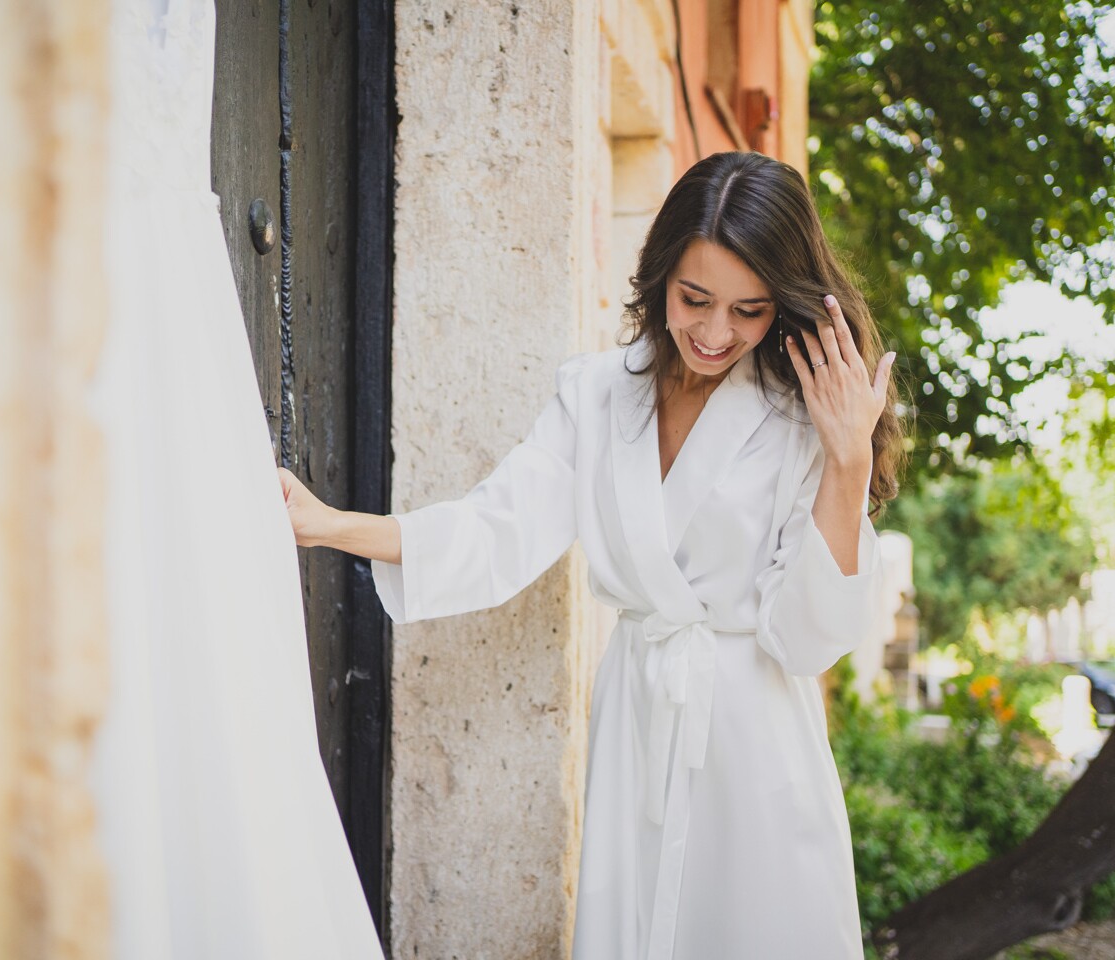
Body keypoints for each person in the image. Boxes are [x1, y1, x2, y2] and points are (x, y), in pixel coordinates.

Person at [278, 150, 905, 960]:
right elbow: (497, 528)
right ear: (659, 276)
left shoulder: (802, 420)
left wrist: (848, 459)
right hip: (638, 719)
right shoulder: (598, 393)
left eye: (749, 311)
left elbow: (810, 640)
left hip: (754, 743)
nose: (716, 334)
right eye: (695, 299)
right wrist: (328, 524)